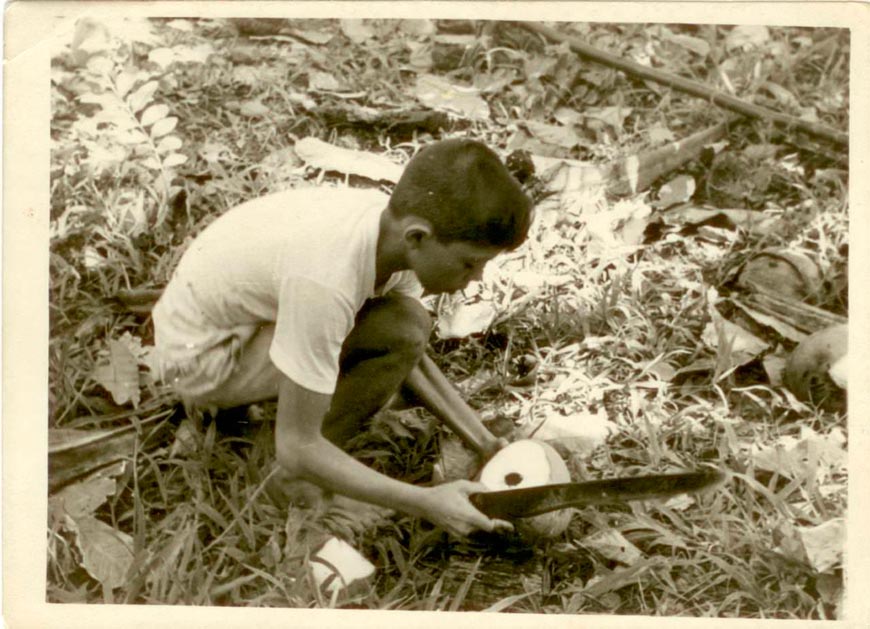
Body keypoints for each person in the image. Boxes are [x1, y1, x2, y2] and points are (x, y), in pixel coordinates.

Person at [153, 138, 533, 537]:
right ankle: (287, 480)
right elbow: (297, 444)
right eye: (469, 263)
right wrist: (426, 502)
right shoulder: (328, 279)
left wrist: (487, 444)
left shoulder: (392, 232)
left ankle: (315, 457)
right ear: (418, 238)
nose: (477, 278)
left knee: (408, 324)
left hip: (239, 329)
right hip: (199, 362)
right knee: (304, 443)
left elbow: (407, 350)